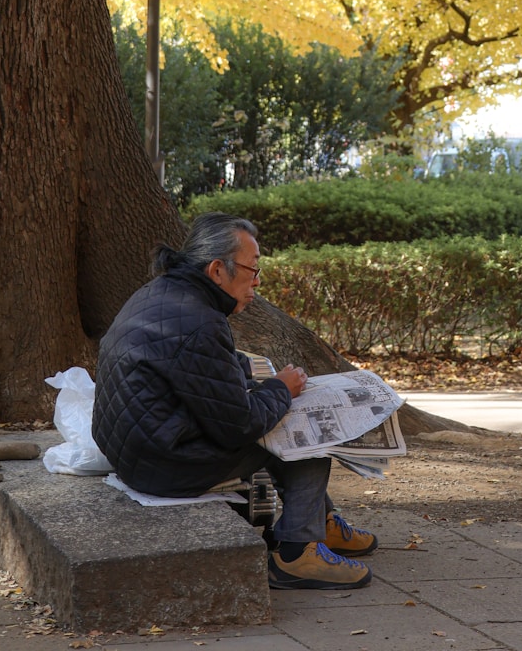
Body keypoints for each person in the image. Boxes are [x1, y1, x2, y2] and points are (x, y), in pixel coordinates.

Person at [92, 213, 376, 591]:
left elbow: (190, 365)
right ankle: (297, 552)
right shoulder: (200, 322)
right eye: (253, 270)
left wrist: (249, 373)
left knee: (285, 414)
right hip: (165, 464)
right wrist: (280, 389)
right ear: (217, 270)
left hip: (136, 449)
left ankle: (318, 523)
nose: (257, 282)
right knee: (306, 430)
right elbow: (240, 426)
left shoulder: (160, 294)